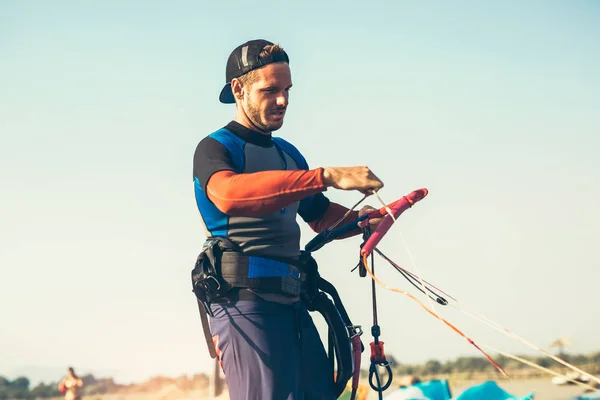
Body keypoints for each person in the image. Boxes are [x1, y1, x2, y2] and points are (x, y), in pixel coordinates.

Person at [192, 39, 386, 400]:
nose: (282, 101)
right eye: (270, 90)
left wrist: (362, 220)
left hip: (294, 302)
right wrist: (324, 176)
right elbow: (229, 194)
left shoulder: (288, 155)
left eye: (287, 90)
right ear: (239, 89)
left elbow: (319, 215)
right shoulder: (215, 148)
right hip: (244, 306)